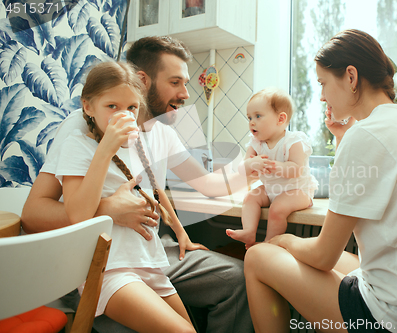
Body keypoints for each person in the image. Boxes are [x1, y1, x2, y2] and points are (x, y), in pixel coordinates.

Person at [21, 36, 253, 333]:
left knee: (237, 279)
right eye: (175, 82)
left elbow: (203, 184)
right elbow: (33, 215)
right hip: (102, 258)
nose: (185, 93)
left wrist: (256, 171)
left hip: (149, 251)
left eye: (185, 83)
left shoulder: (161, 133)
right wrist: (108, 209)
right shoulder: (81, 133)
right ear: (143, 80)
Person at [244, 29, 397, 333]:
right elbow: (368, 178)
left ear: (351, 77)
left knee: (259, 255)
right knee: (349, 260)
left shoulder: (366, 134)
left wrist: (283, 241)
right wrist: (341, 137)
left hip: (393, 319)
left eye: (323, 83)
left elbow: (323, 256)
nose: (321, 95)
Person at [56, 61, 204, 332]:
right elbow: (77, 214)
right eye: (112, 106)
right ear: (88, 107)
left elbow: (155, 193)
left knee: (190, 329)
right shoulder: (77, 146)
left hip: (148, 263)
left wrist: (181, 233)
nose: (123, 114)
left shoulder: (139, 147)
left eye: (131, 108)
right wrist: (106, 149)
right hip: (108, 270)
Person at [226, 88, 318, 247]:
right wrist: (251, 164)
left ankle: (270, 243)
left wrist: (277, 166)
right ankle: (249, 232)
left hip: (297, 191)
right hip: (270, 190)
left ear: (281, 119)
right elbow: (242, 169)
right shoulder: (256, 143)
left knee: (277, 208)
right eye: (249, 117)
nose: (251, 122)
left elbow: (296, 169)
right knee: (250, 197)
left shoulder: (293, 141)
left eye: (258, 116)